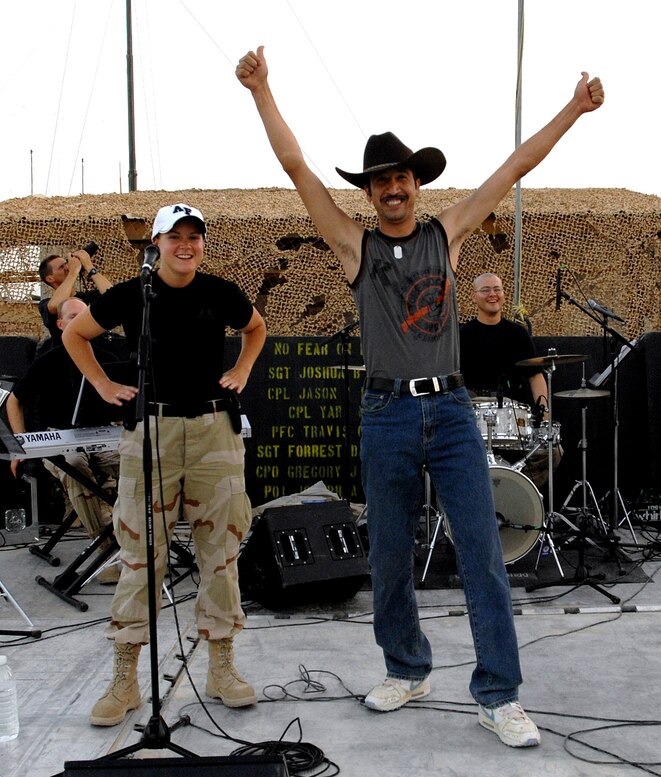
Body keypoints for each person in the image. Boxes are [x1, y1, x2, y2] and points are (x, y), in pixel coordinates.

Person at [236, 44, 603, 747]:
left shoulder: (449, 232)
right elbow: (295, 168)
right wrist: (262, 91)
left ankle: (499, 693)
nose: (394, 188)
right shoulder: (354, 247)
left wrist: (575, 110)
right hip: (386, 413)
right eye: (382, 181)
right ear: (370, 193)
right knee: (388, 555)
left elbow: (516, 166)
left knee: (483, 551)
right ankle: (407, 666)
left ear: (416, 183)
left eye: (402, 176)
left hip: (452, 412)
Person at [63, 203, 267, 727]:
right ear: (156, 242)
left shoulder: (219, 291)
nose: (186, 245)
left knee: (219, 551)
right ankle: (126, 677)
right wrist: (106, 385)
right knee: (140, 554)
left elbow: (256, 328)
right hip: (149, 430)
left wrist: (242, 369)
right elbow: (74, 334)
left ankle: (221, 666)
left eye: (194, 236)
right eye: (175, 236)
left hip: (212, 432)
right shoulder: (134, 294)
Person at [6, 297, 122, 578]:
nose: (80, 322)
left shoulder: (106, 357)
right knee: (73, 463)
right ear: (60, 324)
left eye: (85, 317)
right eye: (72, 317)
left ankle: (135, 539)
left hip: (101, 436)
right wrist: (18, 445)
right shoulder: (48, 359)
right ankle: (106, 549)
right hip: (59, 439)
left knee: (146, 456)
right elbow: (14, 399)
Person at [460, 272, 560, 486]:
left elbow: (536, 377)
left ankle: (514, 494)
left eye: (497, 289)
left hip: (513, 416)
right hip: (472, 414)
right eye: (486, 290)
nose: (492, 294)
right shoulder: (462, 335)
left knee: (552, 450)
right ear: (473, 297)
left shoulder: (517, 334)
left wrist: (545, 416)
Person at [38, 247, 113, 349]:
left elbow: (112, 296)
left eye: (66, 263)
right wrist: (73, 272)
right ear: (50, 278)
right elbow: (55, 306)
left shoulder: (89, 296)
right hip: (66, 355)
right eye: (61, 267)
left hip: (98, 352)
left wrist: (89, 266)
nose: (67, 267)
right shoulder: (45, 303)